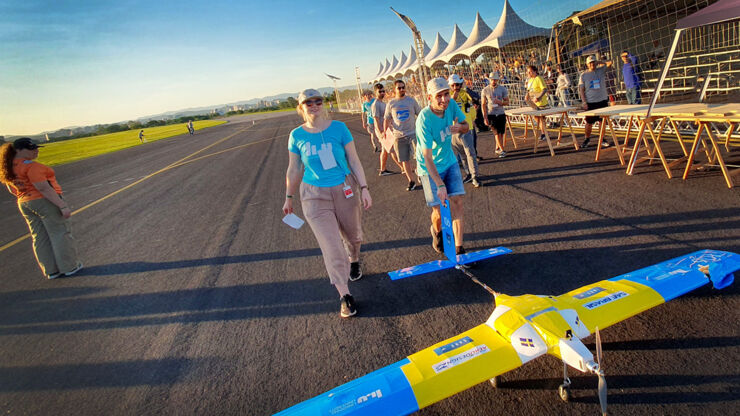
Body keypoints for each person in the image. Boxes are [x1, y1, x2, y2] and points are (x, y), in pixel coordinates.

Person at [282, 89, 372, 318]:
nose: (313, 105)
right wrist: (288, 196)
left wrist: (364, 188)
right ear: (301, 107)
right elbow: (294, 169)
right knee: (331, 246)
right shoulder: (296, 135)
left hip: (345, 188)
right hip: (314, 195)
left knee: (354, 237)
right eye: (308, 102)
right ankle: (344, 294)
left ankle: (354, 260)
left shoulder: (339, 129)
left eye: (317, 101)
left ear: (324, 104)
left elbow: (354, 159)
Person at [0, 138, 83, 279]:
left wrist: (25, 195)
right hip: (44, 201)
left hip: (24, 202)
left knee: (39, 237)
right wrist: (62, 205)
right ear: (19, 150)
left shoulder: (9, 166)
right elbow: (43, 188)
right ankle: (69, 266)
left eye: (36, 148)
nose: (36, 150)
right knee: (60, 234)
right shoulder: (32, 167)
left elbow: (11, 188)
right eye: (31, 148)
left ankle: (51, 270)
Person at [415, 77, 470, 257]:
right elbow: (427, 157)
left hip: (449, 161)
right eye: (439, 96)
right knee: (439, 210)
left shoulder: (452, 105)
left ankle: (459, 249)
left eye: (446, 94)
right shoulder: (424, 119)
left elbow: (466, 126)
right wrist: (439, 184)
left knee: (457, 202)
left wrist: (459, 128)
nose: (444, 99)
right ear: (430, 97)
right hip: (429, 167)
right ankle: (436, 231)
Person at [384, 79, 421, 191]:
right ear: (395, 90)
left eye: (403, 87)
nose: (401, 89)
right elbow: (386, 119)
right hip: (399, 136)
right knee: (404, 160)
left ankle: (420, 173)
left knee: (419, 157)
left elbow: (419, 114)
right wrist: (384, 131)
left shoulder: (411, 101)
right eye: (399, 88)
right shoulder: (391, 103)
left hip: (413, 133)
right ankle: (411, 181)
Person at [448, 74, 481, 188]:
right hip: (454, 131)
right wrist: (454, 94)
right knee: (462, 155)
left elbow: (476, 98)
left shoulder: (464, 93)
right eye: (453, 85)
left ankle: (475, 176)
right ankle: (468, 173)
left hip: (467, 128)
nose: (456, 87)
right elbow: (449, 106)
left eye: (458, 84)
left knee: (470, 154)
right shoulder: (448, 97)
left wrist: (466, 88)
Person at [579, 55, 611, 148]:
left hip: (602, 100)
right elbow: (581, 90)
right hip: (591, 102)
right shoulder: (583, 75)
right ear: (587, 64)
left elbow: (610, 62)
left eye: (593, 62)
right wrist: (584, 102)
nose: (592, 64)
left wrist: (600, 62)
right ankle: (587, 138)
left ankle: (602, 138)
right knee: (589, 123)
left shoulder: (601, 70)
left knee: (602, 121)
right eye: (590, 63)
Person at [371, 83, 399, 176]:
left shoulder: (382, 103)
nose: (382, 93)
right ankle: (403, 167)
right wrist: (381, 132)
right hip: (383, 131)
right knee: (392, 150)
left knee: (385, 150)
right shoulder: (375, 104)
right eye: (380, 91)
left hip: (386, 130)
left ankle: (383, 170)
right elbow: (376, 119)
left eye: (383, 91)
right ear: (375, 92)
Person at [481, 72, 509, 158]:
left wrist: (500, 102)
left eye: (495, 80)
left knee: (501, 133)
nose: (494, 81)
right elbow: (483, 104)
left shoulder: (502, 89)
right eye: (492, 79)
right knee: (496, 133)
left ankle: (497, 148)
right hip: (491, 114)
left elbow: (507, 102)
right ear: (489, 80)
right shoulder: (485, 90)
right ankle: (502, 150)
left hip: (500, 113)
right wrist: (485, 117)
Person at [524, 65, 549, 143]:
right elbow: (529, 90)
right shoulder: (530, 80)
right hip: (534, 103)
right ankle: (543, 131)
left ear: (535, 71)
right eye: (528, 72)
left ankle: (544, 133)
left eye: (530, 71)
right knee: (537, 118)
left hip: (541, 103)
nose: (529, 73)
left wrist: (539, 97)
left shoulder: (539, 78)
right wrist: (527, 96)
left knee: (541, 119)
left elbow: (544, 89)